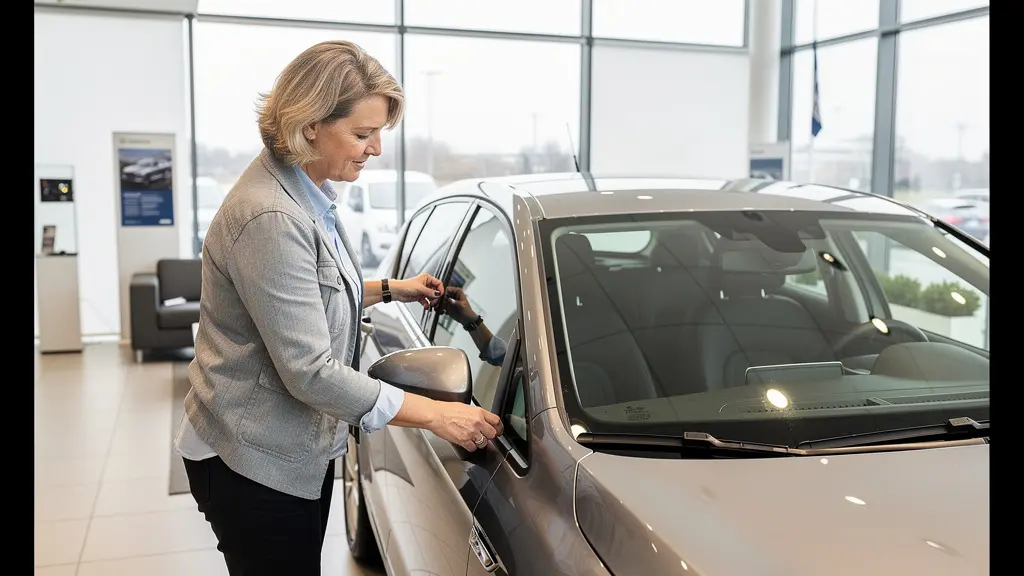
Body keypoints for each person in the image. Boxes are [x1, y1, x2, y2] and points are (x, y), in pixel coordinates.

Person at [173, 40, 503, 576]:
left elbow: (312, 291)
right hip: (253, 462)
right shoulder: (271, 218)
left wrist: (395, 289)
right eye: (362, 133)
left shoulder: (304, 190)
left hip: (281, 451)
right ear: (308, 127)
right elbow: (309, 373)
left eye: (378, 133)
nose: (375, 149)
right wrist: (439, 414)